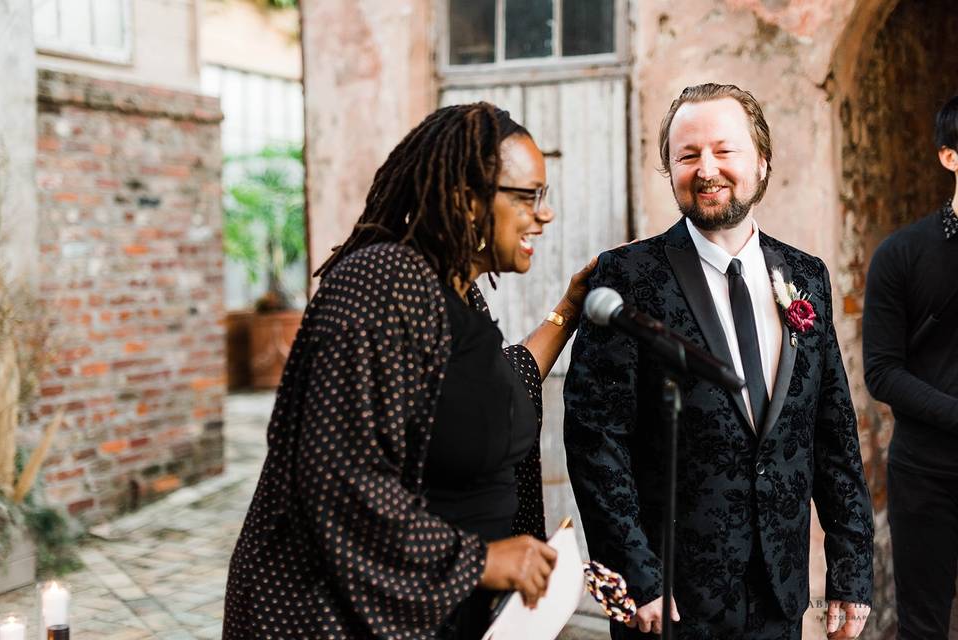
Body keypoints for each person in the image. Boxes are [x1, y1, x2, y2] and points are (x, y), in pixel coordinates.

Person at [222, 103, 594, 639]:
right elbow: (338, 474)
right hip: (339, 621)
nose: (545, 213)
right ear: (468, 202)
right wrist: (481, 561)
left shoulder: (454, 294)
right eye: (529, 195)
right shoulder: (380, 282)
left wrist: (569, 308)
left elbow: (500, 394)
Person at [564, 83, 874, 639]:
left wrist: (851, 572)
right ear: (670, 169)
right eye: (687, 155)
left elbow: (832, 431)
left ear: (761, 160)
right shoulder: (628, 277)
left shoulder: (806, 277)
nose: (706, 169)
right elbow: (596, 441)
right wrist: (637, 576)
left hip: (780, 596)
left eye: (723, 150)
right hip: (672, 604)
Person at [863, 95, 958, 640]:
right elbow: (882, 371)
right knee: (923, 627)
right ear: (950, 157)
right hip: (925, 474)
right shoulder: (901, 253)